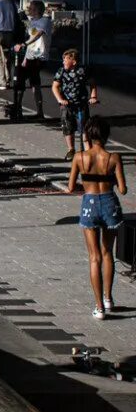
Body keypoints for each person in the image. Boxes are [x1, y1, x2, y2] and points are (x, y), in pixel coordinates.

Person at [67, 115, 125, 319]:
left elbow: (71, 187)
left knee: (94, 257)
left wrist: (88, 185)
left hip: (89, 204)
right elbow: (123, 189)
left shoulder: (79, 158)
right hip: (109, 202)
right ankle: (109, 298)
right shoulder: (114, 158)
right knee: (108, 252)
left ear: (88, 135)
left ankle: (99, 307)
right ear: (107, 135)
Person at [51, 48, 98, 159]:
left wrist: (93, 97)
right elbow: (55, 86)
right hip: (67, 104)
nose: (63, 62)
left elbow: (93, 84)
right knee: (67, 126)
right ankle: (71, 150)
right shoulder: (61, 71)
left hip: (81, 103)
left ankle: (88, 152)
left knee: (84, 128)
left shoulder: (83, 71)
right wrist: (60, 99)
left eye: (65, 60)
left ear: (73, 61)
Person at [11, 0, 52, 121]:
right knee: (35, 84)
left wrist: (23, 44)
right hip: (30, 57)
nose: (29, 10)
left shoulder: (45, 21)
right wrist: (25, 57)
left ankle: (18, 108)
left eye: (32, 8)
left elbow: (37, 35)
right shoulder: (32, 22)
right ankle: (39, 113)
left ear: (38, 10)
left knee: (21, 79)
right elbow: (31, 41)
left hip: (39, 58)